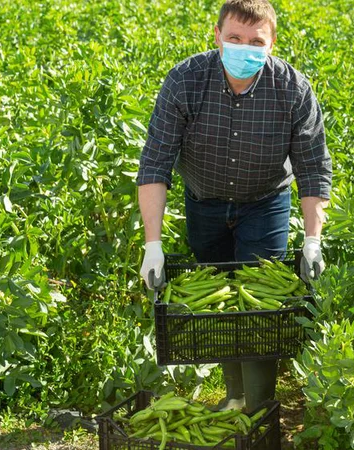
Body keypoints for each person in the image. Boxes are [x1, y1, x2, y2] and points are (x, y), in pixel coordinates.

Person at [136, 0, 332, 412]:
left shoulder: (293, 90)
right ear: (217, 36)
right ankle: (234, 396)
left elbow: (313, 170)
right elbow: (156, 162)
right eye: (235, 39)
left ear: (272, 43)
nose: (246, 49)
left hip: (265, 202)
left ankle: (261, 407)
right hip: (204, 202)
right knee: (221, 305)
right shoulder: (186, 80)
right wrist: (152, 245)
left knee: (259, 305)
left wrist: (313, 239)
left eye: (256, 41)